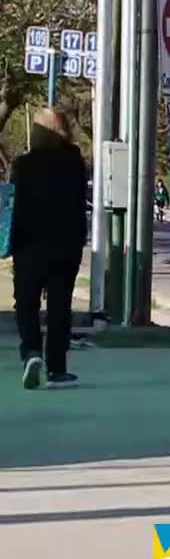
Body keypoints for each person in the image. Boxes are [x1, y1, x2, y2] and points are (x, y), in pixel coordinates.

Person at [8, 107, 88, 390]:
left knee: (26, 302)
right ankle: (57, 369)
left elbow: (13, 205)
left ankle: (31, 351)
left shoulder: (23, 165)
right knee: (59, 306)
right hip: (65, 246)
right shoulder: (75, 163)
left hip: (29, 244)